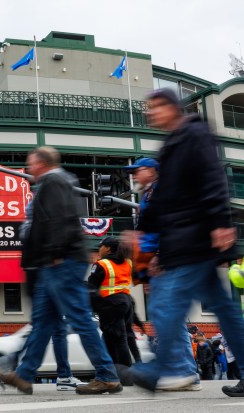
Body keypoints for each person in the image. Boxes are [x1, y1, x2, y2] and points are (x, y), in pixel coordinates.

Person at [128, 88, 244, 397]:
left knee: (166, 305)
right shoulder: (172, 144)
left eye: (154, 107)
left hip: (195, 237)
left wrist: (221, 223)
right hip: (188, 238)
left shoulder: (193, 135)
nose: (149, 113)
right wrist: (145, 233)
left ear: (171, 108)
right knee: (226, 311)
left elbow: (213, 178)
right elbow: (166, 198)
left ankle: (164, 368)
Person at [0, 146, 121, 396]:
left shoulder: (54, 181)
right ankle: (24, 375)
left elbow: (59, 219)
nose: (28, 168)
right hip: (53, 262)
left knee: (79, 318)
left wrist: (54, 253)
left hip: (61, 262)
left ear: (42, 163)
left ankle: (107, 375)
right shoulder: (59, 181)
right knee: (43, 321)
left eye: (31, 163)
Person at [124, 157, 201, 390]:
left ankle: (182, 371)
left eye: (137, 171)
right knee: (169, 318)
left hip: (167, 261)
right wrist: (145, 274)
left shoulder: (162, 192)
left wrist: (159, 255)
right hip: (159, 264)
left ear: (152, 171)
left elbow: (169, 227)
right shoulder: (148, 195)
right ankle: (185, 372)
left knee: (166, 316)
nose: (134, 175)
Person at [87, 236, 133, 368]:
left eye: (100, 246)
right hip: (126, 303)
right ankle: (114, 372)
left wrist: (94, 306)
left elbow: (91, 287)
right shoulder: (127, 262)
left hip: (110, 304)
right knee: (117, 337)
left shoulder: (101, 264)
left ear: (108, 248)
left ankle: (119, 373)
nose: (98, 249)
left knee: (115, 339)